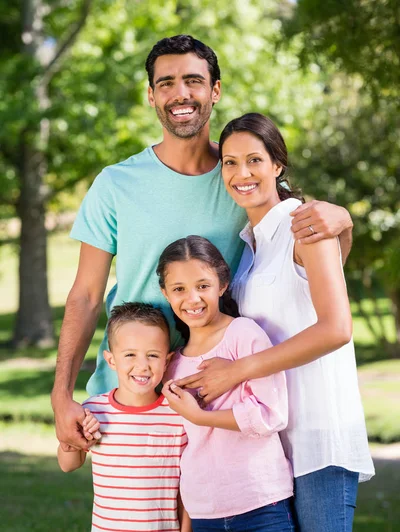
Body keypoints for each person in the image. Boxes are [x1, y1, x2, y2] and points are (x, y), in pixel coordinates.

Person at [51, 35, 354, 456]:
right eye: (167, 82)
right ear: (151, 95)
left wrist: (343, 219)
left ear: (215, 90)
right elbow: (84, 296)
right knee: (133, 520)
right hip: (136, 395)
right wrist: (60, 393)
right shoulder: (115, 184)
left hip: (221, 393)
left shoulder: (242, 177)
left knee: (216, 520)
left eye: (193, 80)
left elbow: (306, 246)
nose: (181, 93)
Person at [175, 113, 375, 532]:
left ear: (278, 164)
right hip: (274, 439)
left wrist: (237, 371)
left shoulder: (304, 225)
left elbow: (337, 327)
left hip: (320, 436)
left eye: (254, 160)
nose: (241, 173)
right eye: (230, 163)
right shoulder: (248, 249)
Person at [157, 235, 300, 532]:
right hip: (205, 512)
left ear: (222, 283)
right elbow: (181, 447)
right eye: (179, 289)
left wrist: (202, 417)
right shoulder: (172, 363)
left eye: (203, 286)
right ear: (166, 293)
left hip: (259, 501)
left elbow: (270, 414)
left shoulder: (243, 334)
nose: (192, 298)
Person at [57, 302, 195, 532]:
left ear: (168, 359)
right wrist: (74, 439)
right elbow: (69, 464)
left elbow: (189, 488)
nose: (142, 366)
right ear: (111, 360)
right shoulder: (93, 410)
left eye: (153, 355)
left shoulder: (177, 415)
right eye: (130, 355)